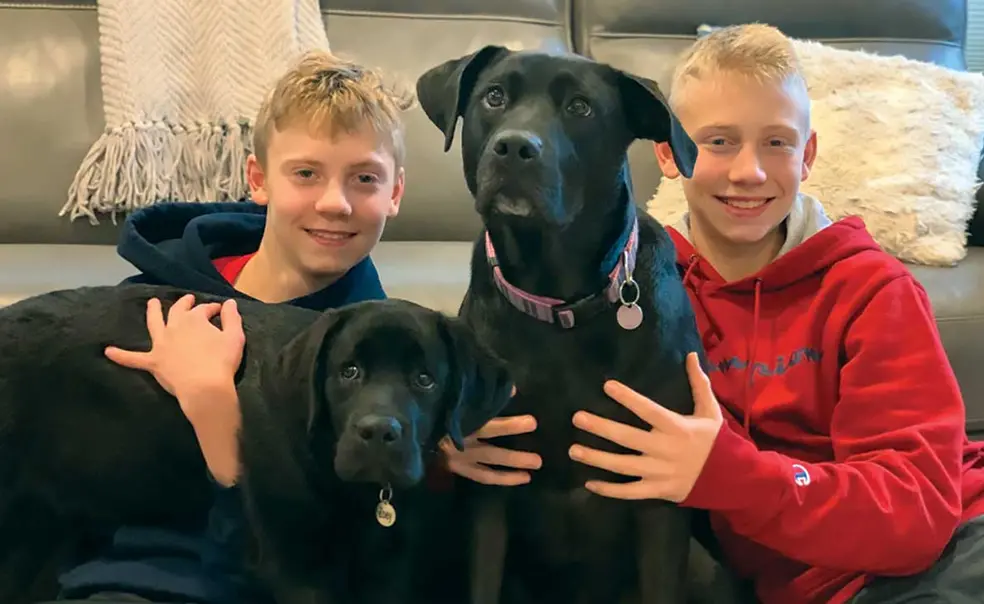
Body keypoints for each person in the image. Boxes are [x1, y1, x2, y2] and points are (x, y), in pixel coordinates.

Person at [556, 23, 984, 604]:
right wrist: (459, 446)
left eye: (777, 143)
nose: (749, 172)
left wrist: (731, 476)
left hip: (950, 544)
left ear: (807, 156)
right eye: (719, 141)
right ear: (668, 154)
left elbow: (916, 517)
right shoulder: (630, 290)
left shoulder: (872, 290)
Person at [53, 49, 410, 603]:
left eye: (364, 178)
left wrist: (213, 407)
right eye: (306, 174)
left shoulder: (380, 360)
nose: (335, 202)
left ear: (395, 194)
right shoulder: (153, 301)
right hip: (114, 578)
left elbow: (314, 555)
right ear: (258, 179)